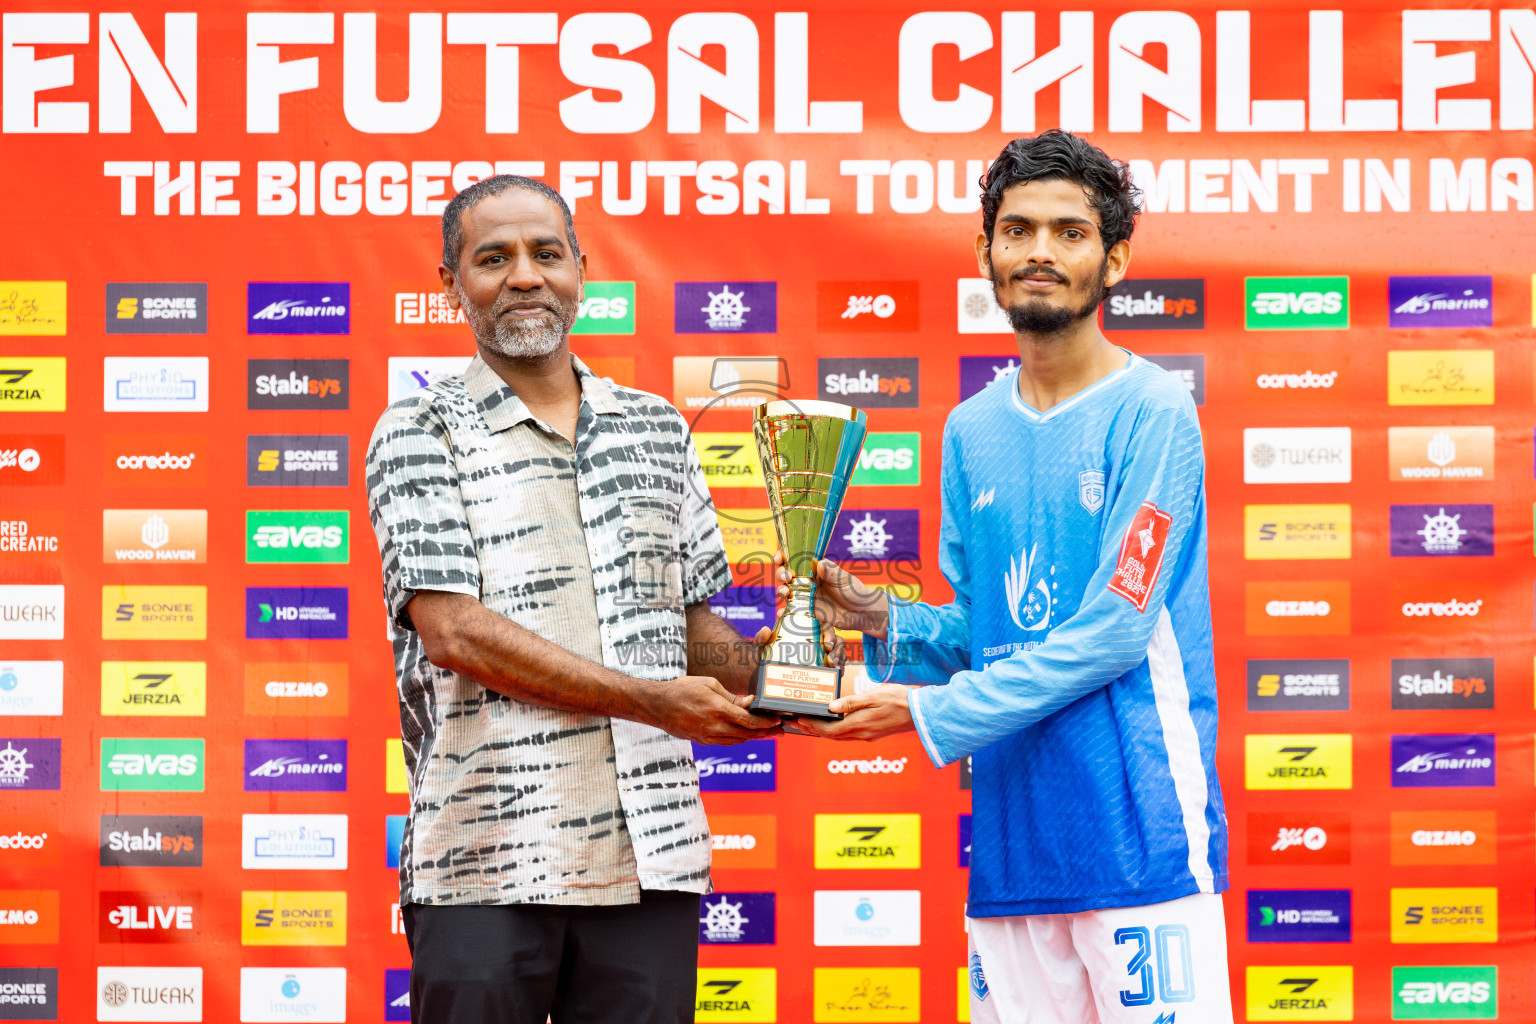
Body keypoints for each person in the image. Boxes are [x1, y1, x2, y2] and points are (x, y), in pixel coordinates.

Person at [791, 130, 1233, 1023]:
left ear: (1116, 260)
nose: (1039, 251)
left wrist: (928, 715)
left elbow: (1117, 626)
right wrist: (882, 618)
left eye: (1070, 233)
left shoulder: (1154, 409)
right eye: (1018, 229)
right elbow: (981, 632)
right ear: (986, 251)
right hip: (1011, 842)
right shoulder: (970, 428)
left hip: (1137, 833)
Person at [365, 174, 783, 1024]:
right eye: (493, 258)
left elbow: (692, 623)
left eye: (545, 253)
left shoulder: (656, 426)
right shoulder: (419, 429)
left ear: (581, 270)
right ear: (452, 284)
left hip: (651, 852)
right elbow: (453, 634)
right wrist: (653, 700)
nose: (524, 276)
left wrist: (791, 680)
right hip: (486, 854)